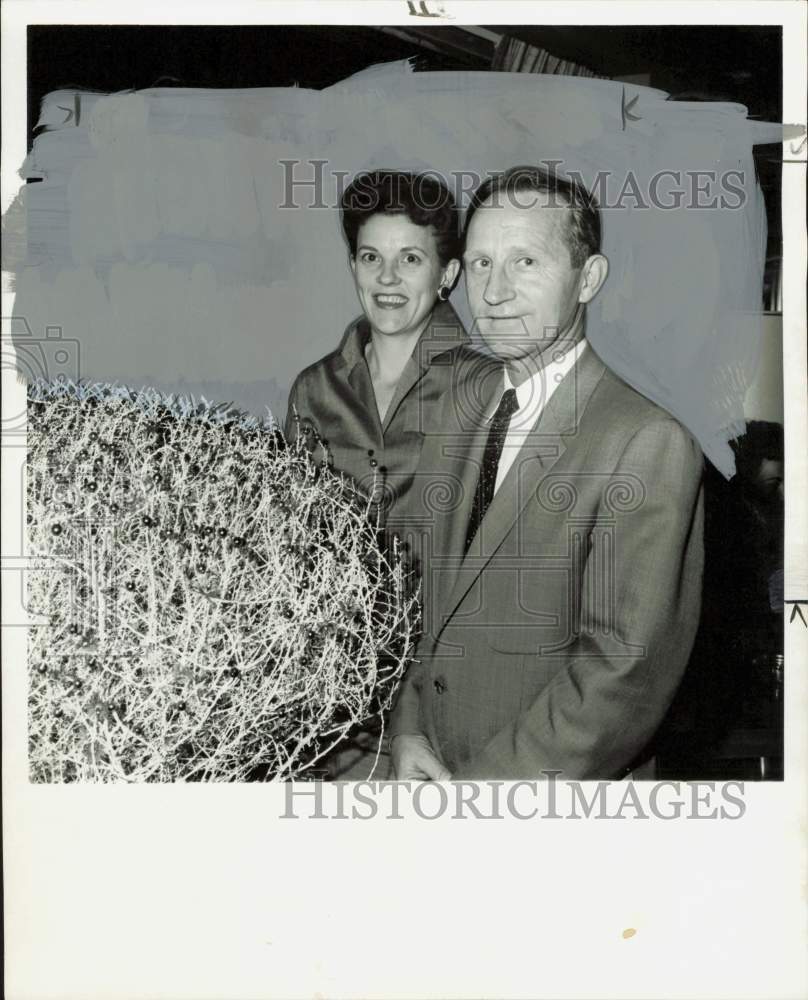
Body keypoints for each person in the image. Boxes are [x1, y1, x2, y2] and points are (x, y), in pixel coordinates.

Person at [390, 165, 705, 780]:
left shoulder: (644, 440)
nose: (495, 291)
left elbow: (621, 674)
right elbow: (418, 610)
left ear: (588, 279)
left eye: (525, 262)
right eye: (479, 263)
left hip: (549, 813)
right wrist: (407, 730)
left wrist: (480, 795)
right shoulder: (458, 415)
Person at [284, 170, 488, 779]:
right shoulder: (314, 389)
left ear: (447, 273)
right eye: (371, 257)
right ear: (352, 264)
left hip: (447, 693)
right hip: (333, 702)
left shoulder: (490, 384)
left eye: (410, 258)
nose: (388, 278)